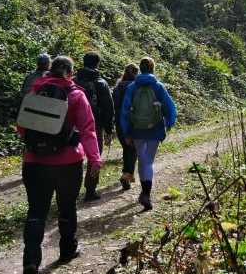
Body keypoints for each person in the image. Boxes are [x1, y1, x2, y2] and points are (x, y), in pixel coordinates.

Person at [17, 56, 102, 274]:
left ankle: (31, 261)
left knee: (36, 211)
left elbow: (22, 128)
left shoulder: (34, 92)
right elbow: (88, 129)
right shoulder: (76, 95)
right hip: (68, 163)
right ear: (71, 73)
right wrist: (95, 159)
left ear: (49, 71)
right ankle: (67, 249)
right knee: (67, 207)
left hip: (34, 162)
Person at [119, 57, 177, 210]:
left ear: (141, 68)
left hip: (137, 130)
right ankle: (146, 194)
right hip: (155, 128)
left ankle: (144, 193)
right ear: (152, 69)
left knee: (142, 160)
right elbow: (169, 106)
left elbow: (124, 111)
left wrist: (126, 131)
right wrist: (170, 122)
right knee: (148, 161)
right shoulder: (158, 87)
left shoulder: (132, 87)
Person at [74, 52, 115, 202]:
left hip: (73, 126)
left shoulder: (73, 80)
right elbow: (108, 108)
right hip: (94, 126)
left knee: (74, 156)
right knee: (94, 157)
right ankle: (90, 190)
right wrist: (109, 128)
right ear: (97, 64)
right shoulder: (100, 82)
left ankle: (70, 189)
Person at [112, 63, 139, 191]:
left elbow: (114, 107)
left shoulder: (117, 88)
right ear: (136, 73)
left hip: (119, 123)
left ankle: (126, 173)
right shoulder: (136, 87)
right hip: (132, 123)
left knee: (126, 148)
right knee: (132, 149)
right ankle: (126, 175)